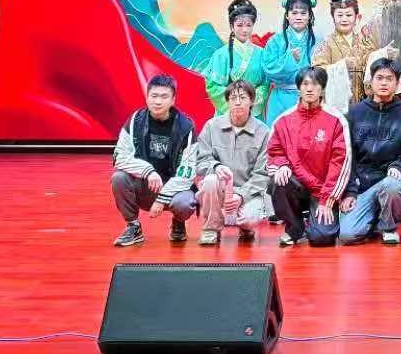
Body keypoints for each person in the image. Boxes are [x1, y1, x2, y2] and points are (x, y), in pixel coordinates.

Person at [111, 74, 200, 247]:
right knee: (119, 178)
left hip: (174, 191)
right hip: (146, 186)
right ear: (147, 97)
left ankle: (178, 222)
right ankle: (133, 227)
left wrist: (161, 199)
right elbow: (119, 157)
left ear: (173, 100)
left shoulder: (185, 127)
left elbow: (187, 173)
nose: (158, 101)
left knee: (184, 203)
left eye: (164, 97)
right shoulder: (135, 120)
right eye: (154, 96)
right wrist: (148, 171)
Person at [267, 66, 351, 247]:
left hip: (323, 190)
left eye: (315, 84)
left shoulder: (336, 120)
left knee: (322, 238)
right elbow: (274, 151)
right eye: (305, 84)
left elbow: (340, 163)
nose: (310, 89)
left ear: (322, 88)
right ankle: (294, 227)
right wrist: (281, 165)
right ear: (299, 88)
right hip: (296, 185)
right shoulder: (283, 120)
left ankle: (315, 222)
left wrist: (327, 200)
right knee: (278, 181)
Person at [338, 57, 401, 246]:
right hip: (361, 186)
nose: (384, 83)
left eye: (389, 79)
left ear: (397, 83)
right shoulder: (354, 113)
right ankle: (374, 217)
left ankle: (388, 227)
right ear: (371, 81)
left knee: (392, 186)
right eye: (379, 78)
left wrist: (399, 166)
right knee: (348, 235)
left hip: (388, 181)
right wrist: (349, 191)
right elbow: (346, 156)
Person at [187, 79, 273, 245]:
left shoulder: (264, 132)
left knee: (248, 219)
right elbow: (200, 161)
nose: (238, 102)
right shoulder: (211, 127)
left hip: (249, 192)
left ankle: (246, 228)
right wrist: (216, 166)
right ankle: (211, 228)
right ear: (227, 101)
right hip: (219, 189)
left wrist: (241, 195)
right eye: (233, 98)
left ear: (252, 101)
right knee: (210, 180)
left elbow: (263, 174)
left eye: (243, 97)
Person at [314, 0, 382, 104]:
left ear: (356, 17)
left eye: (349, 15)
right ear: (333, 18)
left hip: (363, 103)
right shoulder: (326, 43)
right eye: (340, 15)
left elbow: (375, 68)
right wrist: (340, 66)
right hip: (336, 103)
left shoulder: (365, 42)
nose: (344, 19)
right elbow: (317, 72)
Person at [203, 0, 267, 118]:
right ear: (232, 26)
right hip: (228, 113)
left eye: (248, 25)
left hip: (253, 110)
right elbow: (212, 86)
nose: (244, 30)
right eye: (239, 25)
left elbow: (265, 82)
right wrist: (237, 100)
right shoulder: (221, 54)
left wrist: (251, 99)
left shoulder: (262, 53)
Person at [259, 0, 318, 121]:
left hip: (310, 99)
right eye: (294, 13)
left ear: (309, 16)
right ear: (287, 15)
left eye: (303, 13)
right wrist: (290, 59)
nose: (298, 17)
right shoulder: (275, 41)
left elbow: (324, 71)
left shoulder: (318, 41)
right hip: (280, 100)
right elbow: (268, 69)